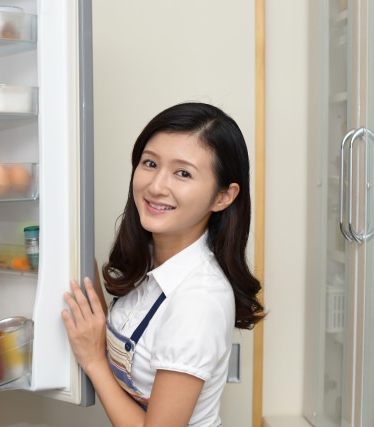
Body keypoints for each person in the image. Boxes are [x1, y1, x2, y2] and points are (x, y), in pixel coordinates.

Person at [62, 102, 265, 426]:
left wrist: (94, 360)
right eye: (150, 163)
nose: (156, 186)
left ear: (223, 197)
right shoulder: (151, 260)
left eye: (183, 173)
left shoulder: (199, 301)